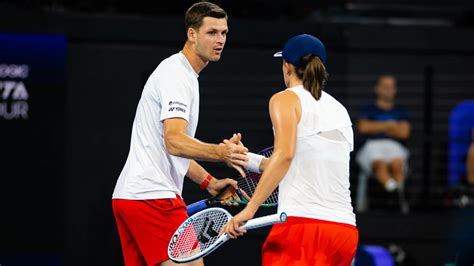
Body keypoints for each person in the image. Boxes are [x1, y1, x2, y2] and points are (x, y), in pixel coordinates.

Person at [112, 2, 248, 266]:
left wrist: (209, 182)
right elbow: (174, 141)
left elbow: (170, 149)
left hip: (130, 197)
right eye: (212, 32)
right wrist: (221, 153)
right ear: (192, 34)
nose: (220, 40)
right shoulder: (177, 75)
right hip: (153, 197)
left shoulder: (181, 74)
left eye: (224, 33)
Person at [223, 34, 358, 266]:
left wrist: (250, 209)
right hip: (343, 234)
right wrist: (245, 158)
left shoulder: (284, 99)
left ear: (287, 66)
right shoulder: (340, 110)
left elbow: (285, 156)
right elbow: (294, 162)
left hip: (302, 229)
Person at [356, 75, 411, 192]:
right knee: (379, 164)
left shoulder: (401, 111)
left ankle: (397, 194)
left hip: (394, 145)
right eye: (385, 86)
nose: (388, 90)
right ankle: (392, 190)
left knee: (397, 164)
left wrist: (376, 126)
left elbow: (404, 133)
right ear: (377, 89)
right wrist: (390, 125)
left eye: (391, 87)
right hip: (372, 145)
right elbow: (363, 128)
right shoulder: (368, 109)